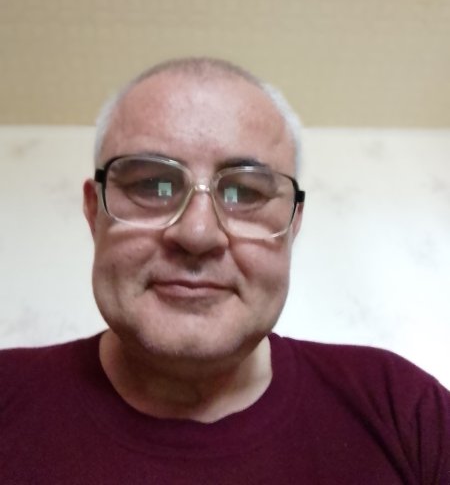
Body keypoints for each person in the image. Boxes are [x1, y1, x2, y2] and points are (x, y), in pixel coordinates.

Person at [1, 57, 449, 484]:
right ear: (94, 213)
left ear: (293, 225)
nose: (197, 234)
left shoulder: (406, 412)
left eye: (244, 193)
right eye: (152, 186)